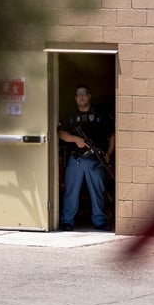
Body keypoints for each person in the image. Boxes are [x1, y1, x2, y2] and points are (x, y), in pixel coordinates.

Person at [58, 84, 115, 231]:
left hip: (96, 160)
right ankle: (67, 221)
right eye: (79, 94)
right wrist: (76, 139)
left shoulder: (100, 114)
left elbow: (113, 134)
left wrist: (109, 154)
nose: (82, 96)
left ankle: (100, 221)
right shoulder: (69, 115)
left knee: (98, 192)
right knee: (71, 192)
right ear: (76, 98)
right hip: (76, 159)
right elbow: (61, 133)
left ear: (89, 96)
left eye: (84, 93)